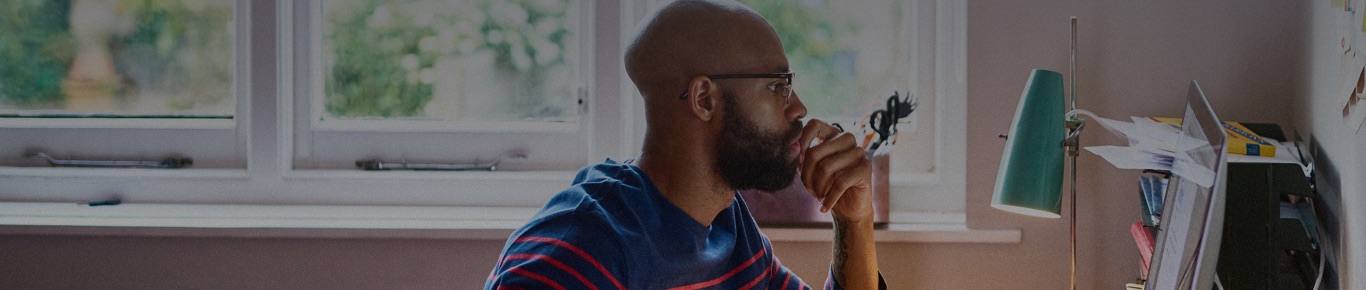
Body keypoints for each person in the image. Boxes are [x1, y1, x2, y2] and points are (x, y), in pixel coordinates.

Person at [485, 1, 885, 289]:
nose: (798, 108)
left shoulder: (729, 225)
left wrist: (854, 220)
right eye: (778, 86)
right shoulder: (577, 252)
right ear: (704, 99)